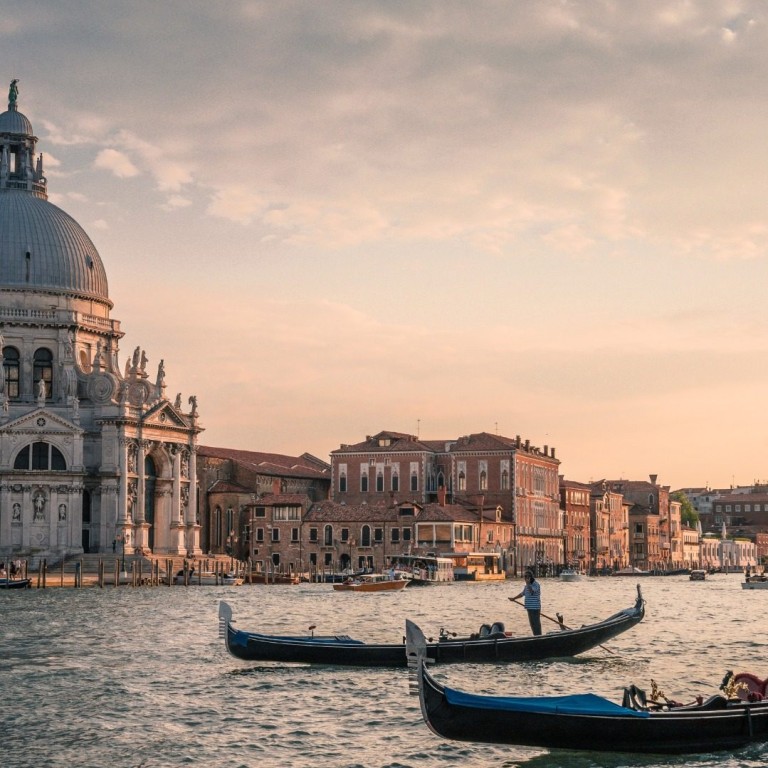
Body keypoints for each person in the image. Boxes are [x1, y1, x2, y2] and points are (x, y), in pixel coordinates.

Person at [512, 570, 542, 636]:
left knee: (536, 624)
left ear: (530, 577)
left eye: (526, 576)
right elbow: (522, 594)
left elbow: (532, 591)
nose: (525, 578)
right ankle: (535, 636)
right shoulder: (526, 586)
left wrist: (528, 584)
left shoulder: (536, 584)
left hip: (535, 608)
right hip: (529, 608)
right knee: (532, 624)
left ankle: (539, 636)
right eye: (524, 576)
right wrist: (514, 598)